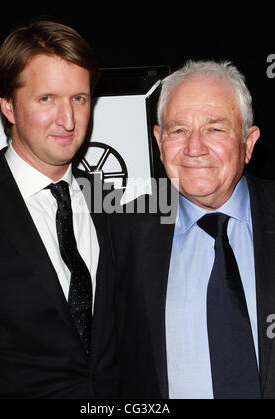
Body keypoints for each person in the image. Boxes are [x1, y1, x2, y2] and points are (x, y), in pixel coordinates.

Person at [111, 60, 275, 399]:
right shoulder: (120, 232)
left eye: (215, 128)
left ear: (249, 142)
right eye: (178, 130)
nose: (195, 148)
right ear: (158, 141)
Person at [0, 20, 117, 398]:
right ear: (7, 104)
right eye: (46, 99)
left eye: (79, 99)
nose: (68, 120)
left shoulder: (117, 207)